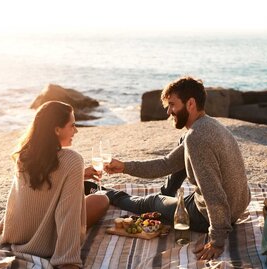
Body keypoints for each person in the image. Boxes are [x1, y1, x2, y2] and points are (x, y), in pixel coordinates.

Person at [105, 76, 251, 261]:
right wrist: (125, 167)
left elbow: (213, 192)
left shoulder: (197, 138)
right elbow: (166, 164)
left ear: (190, 103)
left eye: (172, 105)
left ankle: (106, 194)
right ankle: (167, 195)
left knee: (150, 202)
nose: (168, 111)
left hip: (211, 215)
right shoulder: (210, 124)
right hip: (237, 205)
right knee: (184, 142)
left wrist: (217, 241)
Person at [0, 101, 109, 269]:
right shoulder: (72, 159)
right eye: (72, 125)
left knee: (85, 196)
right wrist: (68, 260)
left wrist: (1, 230)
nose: (75, 131)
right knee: (101, 200)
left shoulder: (25, 154)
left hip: (17, 235)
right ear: (57, 130)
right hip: (48, 243)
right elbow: (67, 211)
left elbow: (17, 199)